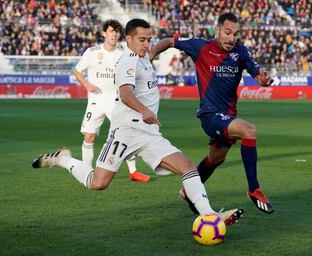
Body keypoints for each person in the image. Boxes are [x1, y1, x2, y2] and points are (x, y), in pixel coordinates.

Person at [31, 18, 243, 225]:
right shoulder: (128, 61)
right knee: (98, 183)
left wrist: (163, 46)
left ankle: (210, 215)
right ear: (129, 40)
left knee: (187, 167)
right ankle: (63, 159)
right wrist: (145, 111)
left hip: (149, 133)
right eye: (142, 39)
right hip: (125, 131)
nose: (147, 44)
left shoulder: (144, 58)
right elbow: (125, 94)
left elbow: (157, 48)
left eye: (149, 39)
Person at [150, 12, 275, 214]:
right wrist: (151, 54)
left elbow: (256, 72)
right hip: (210, 115)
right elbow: (169, 41)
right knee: (249, 131)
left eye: (235, 34)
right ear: (217, 30)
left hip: (228, 116)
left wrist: (261, 79)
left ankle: (188, 192)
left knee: (216, 159)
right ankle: (254, 189)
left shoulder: (240, 51)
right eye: (227, 32)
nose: (231, 38)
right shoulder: (201, 46)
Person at [73, 19, 150, 182]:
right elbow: (77, 70)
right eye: (111, 31)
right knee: (89, 136)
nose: (114, 34)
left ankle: (133, 172)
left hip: (116, 101)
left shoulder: (123, 53)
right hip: (95, 100)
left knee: (125, 133)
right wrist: (86, 84)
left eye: (117, 31)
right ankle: (87, 171)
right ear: (104, 33)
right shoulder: (92, 52)